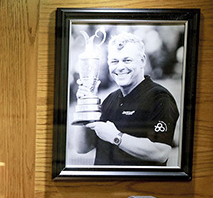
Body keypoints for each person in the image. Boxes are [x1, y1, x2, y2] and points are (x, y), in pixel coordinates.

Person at [72, 32, 179, 166]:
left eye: (127, 60)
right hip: (103, 185)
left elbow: (160, 153)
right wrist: (84, 103)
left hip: (137, 186)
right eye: (115, 61)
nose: (120, 67)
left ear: (142, 61)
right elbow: (82, 148)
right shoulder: (110, 99)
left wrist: (116, 137)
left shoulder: (160, 97)